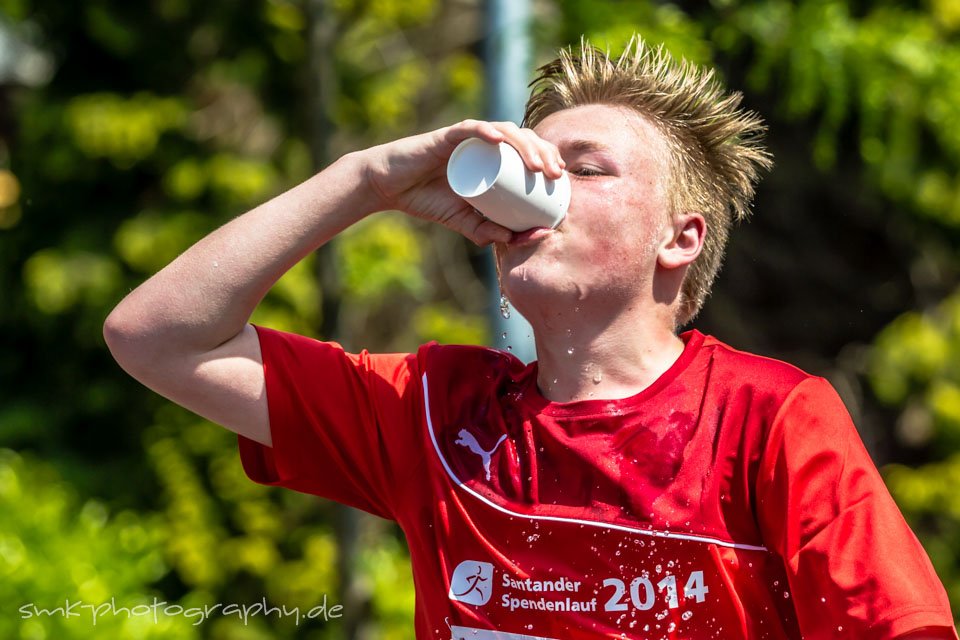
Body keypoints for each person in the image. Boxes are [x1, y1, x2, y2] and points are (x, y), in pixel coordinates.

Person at [103, 36, 958, 639]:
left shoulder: (771, 419)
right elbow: (157, 337)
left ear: (680, 237)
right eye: (533, 167)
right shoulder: (435, 415)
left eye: (584, 170)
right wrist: (365, 181)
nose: (543, 189)